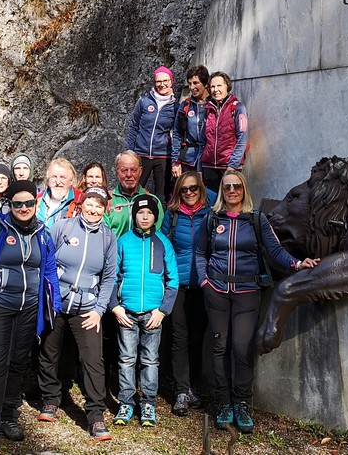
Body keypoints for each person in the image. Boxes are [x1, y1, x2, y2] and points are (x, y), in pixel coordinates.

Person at [194, 169, 318, 434]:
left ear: (243, 189)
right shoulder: (211, 219)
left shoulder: (257, 220)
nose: (231, 191)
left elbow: (275, 251)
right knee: (219, 347)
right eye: (227, 187)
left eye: (236, 186)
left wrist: (297, 263)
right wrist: (205, 282)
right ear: (223, 192)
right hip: (216, 290)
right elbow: (199, 252)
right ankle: (224, 403)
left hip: (247, 292)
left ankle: (241, 403)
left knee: (241, 348)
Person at [0, 179, 61, 455]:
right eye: (17, 203)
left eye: (29, 203)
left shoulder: (43, 233)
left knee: (19, 363)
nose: (24, 208)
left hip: (29, 309)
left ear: (36, 203)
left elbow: (49, 269)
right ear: (9, 204)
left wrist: (55, 303)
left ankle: (9, 416)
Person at [36, 186, 117, 442]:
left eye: (99, 206)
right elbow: (46, 261)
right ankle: (50, 400)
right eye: (90, 203)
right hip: (57, 304)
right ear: (81, 204)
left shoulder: (108, 237)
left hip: (87, 308)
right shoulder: (64, 227)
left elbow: (110, 277)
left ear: (105, 209)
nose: (93, 210)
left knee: (94, 362)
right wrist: (49, 299)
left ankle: (95, 416)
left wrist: (99, 310)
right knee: (49, 352)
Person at [111, 194, 178, 428]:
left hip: (153, 313)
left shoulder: (162, 243)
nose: (145, 216)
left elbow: (173, 280)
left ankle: (148, 402)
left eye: (149, 213)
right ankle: (126, 402)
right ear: (134, 215)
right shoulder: (123, 241)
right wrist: (115, 306)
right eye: (140, 213)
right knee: (127, 359)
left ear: (155, 216)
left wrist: (163, 311)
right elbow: (112, 275)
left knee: (150, 360)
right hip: (126, 312)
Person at [160, 171, 216, 416]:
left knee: (197, 338)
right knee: (179, 338)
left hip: (204, 285)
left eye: (194, 188)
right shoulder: (172, 216)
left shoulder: (212, 213)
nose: (189, 193)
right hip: (179, 285)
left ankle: (192, 385)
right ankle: (182, 390)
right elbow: (163, 245)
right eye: (184, 189)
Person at [126, 66, 177, 198]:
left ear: (171, 81)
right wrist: (130, 152)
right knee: (135, 191)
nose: (162, 84)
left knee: (162, 195)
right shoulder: (144, 101)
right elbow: (133, 126)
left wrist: (176, 159)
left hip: (163, 155)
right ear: (154, 83)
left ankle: (161, 218)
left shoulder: (176, 106)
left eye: (165, 81)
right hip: (141, 153)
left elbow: (177, 133)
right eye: (158, 81)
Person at [200, 72, 249, 191]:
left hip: (229, 166)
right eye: (212, 86)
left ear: (227, 86)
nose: (215, 90)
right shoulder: (207, 110)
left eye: (219, 86)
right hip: (209, 166)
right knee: (211, 203)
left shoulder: (237, 108)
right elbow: (202, 142)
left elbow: (242, 138)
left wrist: (233, 165)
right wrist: (199, 168)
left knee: (230, 202)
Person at [103, 151, 163, 238]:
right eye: (124, 170)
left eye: (134, 170)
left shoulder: (153, 201)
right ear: (116, 172)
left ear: (140, 171)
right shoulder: (107, 200)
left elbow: (157, 235)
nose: (129, 174)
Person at [171, 65, 210, 179]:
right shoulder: (185, 106)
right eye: (190, 83)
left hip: (208, 160)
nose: (192, 87)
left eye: (196, 83)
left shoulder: (214, 105)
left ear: (205, 83)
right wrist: (175, 162)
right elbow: (177, 134)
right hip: (188, 159)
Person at [36, 157, 81, 226]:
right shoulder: (37, 200)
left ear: (71, 181)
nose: (58, 182)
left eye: (62, 177)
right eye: (54, 177)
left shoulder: (80, 201)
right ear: (48, 180)